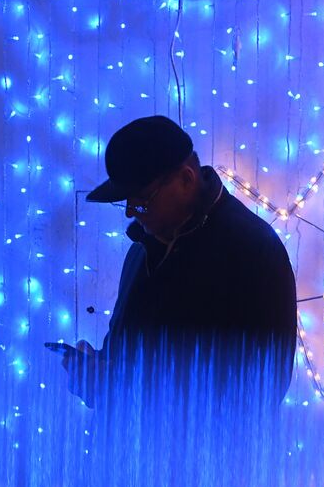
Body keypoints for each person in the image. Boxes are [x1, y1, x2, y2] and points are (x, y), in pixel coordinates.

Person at [59, 114, 297, 407]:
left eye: (143, 199)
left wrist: (127, 390)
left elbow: (262, 388)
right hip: (135, 448)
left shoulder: (254, 250)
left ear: (186, 179)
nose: (131, 212)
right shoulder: (143, 248)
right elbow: (125, 355)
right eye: (127, 200)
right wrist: (98, 377)